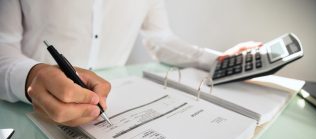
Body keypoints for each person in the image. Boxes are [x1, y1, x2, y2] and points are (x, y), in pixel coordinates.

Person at [0, 0, 262, 126]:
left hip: (116, 101)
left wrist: (218, 59)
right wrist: (31, 75)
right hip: (25, 112)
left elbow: (159, 38)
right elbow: (3, 44)